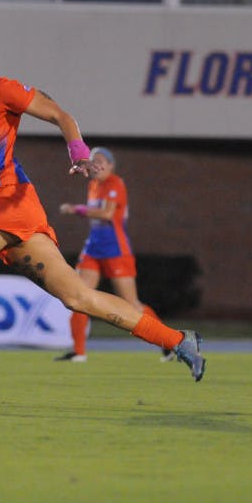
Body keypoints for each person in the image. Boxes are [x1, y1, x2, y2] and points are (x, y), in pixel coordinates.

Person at [0, 24, 204, 402]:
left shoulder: (0, 88)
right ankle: (179, 340)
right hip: (8, 209)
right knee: (79, 297)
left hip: (7, 199)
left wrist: (78, 154)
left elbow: (62, 117)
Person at [55, 146, 168, 362]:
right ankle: (78, 352)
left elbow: (107, 214)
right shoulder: (94, 185)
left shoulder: (115, 183)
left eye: (100, 160)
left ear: (111, 165)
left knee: (132, 304)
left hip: (116, 249)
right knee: (78, 296)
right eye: (92, 160)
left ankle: (168, 343)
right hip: (94, 247)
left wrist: (76, 209)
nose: (95, 164)